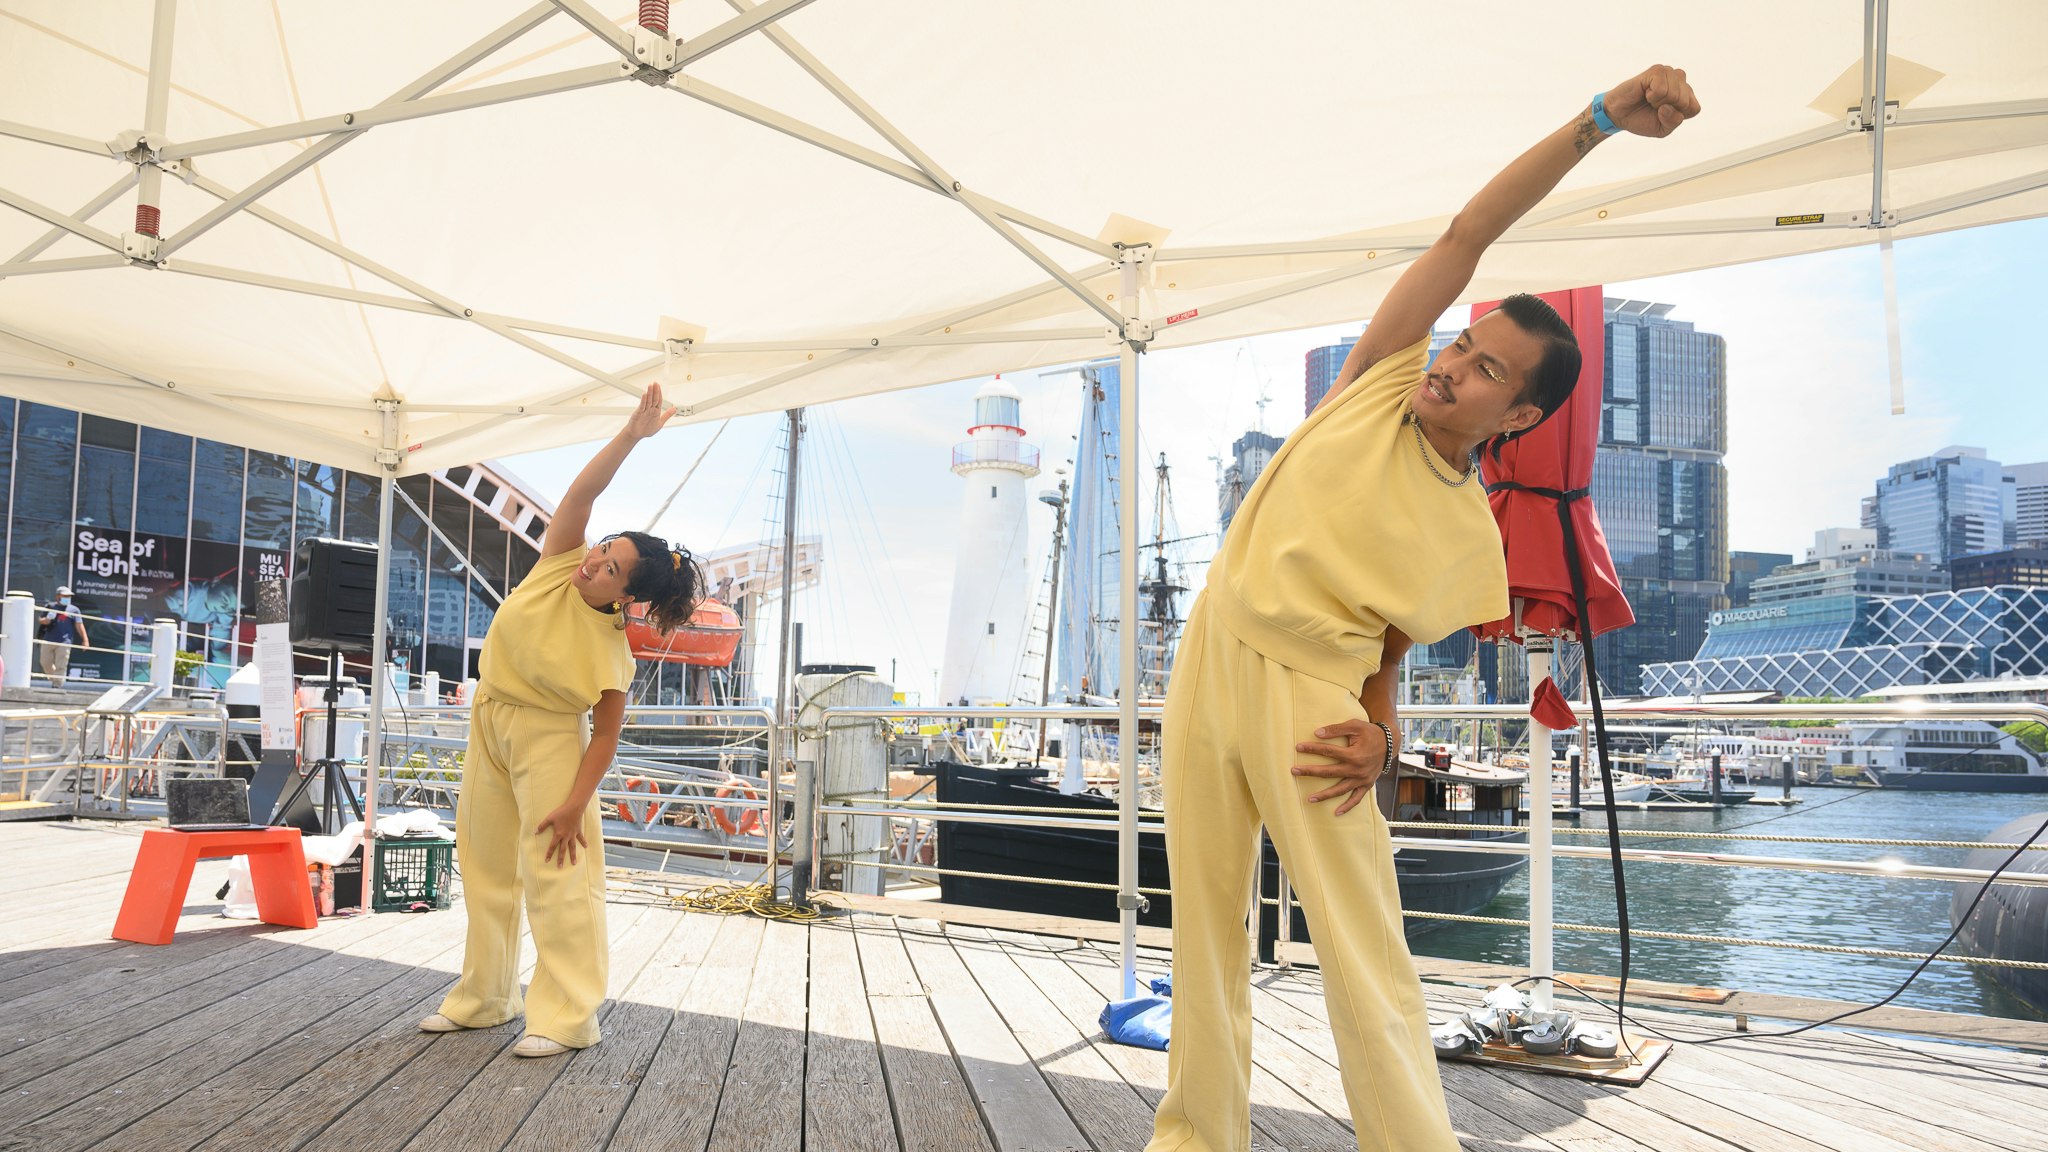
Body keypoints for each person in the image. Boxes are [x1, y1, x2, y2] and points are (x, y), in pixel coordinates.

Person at [1148, 66, 1700, 1152]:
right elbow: (1469, 229)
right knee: (1202, 937)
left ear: (1520, 411)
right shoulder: (1372, 384)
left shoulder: (1470, 534)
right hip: (1206, 656)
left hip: (1309, 702)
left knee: (1365, 949)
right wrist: (1594, 124)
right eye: (1461, 345)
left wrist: (1384, 735)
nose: (1454, 367)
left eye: (1486, 369)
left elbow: (1387, 651)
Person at [419, 383, 703, 1058]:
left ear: (628, 596)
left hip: (549, 734)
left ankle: (567, 1017)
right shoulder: (559, 564)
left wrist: (576, 804)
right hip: (489, 719)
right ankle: (485, 1000)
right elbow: (581, 495)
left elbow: (606, 736)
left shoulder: (610, 649)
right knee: (484, 866)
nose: (597, 562)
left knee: (556, 876)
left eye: (613, 569)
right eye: (605, 549)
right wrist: (632, 434)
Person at [37, 587, 88, 683]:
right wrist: (47, 620)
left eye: (68, 596)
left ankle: (57, 685)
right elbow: (41, 620)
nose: (67, 598)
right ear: (58, 596)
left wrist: (85, 640)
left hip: (65, 641)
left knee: (61, 665)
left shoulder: (74, 610)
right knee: (45, 662)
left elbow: (79, 625)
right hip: (48, 639)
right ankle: (54, 679)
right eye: (65, 596)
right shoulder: (50, 606)